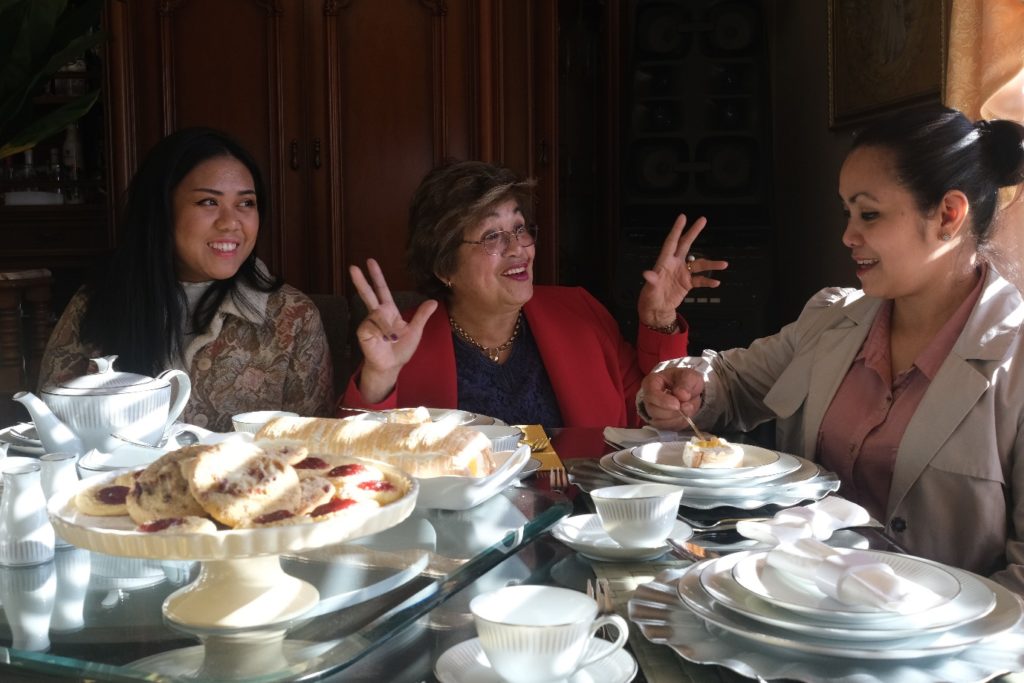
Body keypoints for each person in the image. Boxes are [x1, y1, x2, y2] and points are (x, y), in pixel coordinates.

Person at [638, 105, 1024, 594]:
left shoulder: (1015, 360)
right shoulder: (833, 319)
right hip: (790, 606)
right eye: (847, 213)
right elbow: (731, 382)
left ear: (948, 214)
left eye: (869, 214)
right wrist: (689, 384)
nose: (848, 235)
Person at [340, 160, 727, 428]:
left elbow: (649, 418)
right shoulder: (403, 341)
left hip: (581, 522)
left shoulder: (578, 311)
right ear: (444, 267)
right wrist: (379, 379)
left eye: (520, 228)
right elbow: (359, 462)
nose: (518, 247)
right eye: (493, 235)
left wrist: (659, 322)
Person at [38, 127, 333, 432]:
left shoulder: (291, 316)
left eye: (246, 203)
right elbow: (49, 429)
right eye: (208, 202)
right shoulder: (99, 301)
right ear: (161, 210)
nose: (231, 222)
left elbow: (314, 444)